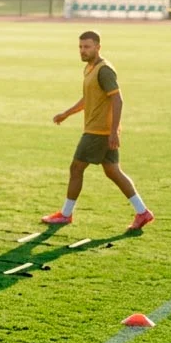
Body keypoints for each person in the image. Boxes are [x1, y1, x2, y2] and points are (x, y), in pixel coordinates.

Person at [41, 31, 154, 231]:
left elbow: (118, 100)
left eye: (87, 47)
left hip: (98, 132)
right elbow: (88, 99)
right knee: (113, 171)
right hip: (98, 130)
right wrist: (67, 113)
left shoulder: (104, 71)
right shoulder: (89, 69)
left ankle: (65, 215)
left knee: (76, 168)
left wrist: (113, 132)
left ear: (98, 47)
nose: (83, 51)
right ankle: (142, 212)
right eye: (80, 47)